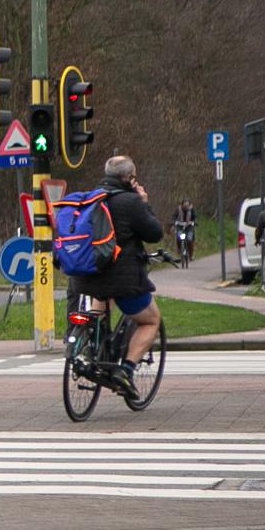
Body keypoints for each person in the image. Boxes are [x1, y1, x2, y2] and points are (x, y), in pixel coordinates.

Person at [88, 154, 164, 389]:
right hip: (122, 278)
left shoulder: (90, 198)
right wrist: (143, 203)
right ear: (129, 178)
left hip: (87, 276)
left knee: (100, 303)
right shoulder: (130, 202)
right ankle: (126, 369)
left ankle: (92, 348)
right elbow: (154, 233)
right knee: (151, 320)